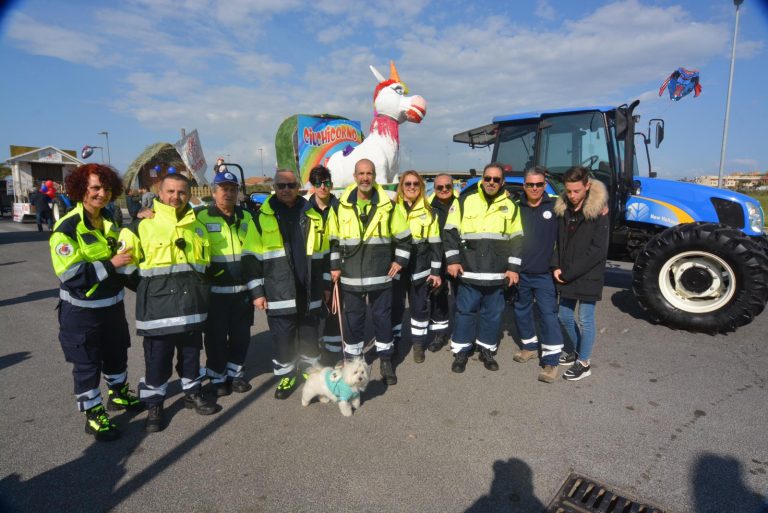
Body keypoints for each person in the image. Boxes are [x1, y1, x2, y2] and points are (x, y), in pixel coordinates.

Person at [118, 173, 219, 433]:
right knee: (157, 360)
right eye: (170, 192)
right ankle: (155, 404)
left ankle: (192, 393)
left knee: (191, 355)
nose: (176, 197)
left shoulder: (197, 225)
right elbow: (126, 268)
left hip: (191, 308)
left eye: (182, 192)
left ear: (189, 194)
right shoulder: (141, 225)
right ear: (159, 194)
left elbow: (205, 265)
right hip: (158, 310)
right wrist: (149, 291)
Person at [49, 163, 141, 442]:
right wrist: (110, 264)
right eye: (95, 188)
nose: (102, 193)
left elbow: (124, 266)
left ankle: (118, 394)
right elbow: (72, 275)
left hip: (112, 308)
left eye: (106, 188)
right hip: (81, 313)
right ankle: (93, 413)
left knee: (117, 354)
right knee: (88, 364)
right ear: (81, 190)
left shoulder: (110, 224)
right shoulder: (66, 228)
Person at [327, 158, 410, 385]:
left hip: (381, 274)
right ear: (355, 177)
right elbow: (333, 242)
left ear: (375, 177)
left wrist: (400, 261)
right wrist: (334, 267)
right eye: (361, 173)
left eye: (369, 173)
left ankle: (386, 360)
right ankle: (354, 361)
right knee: (353, 319)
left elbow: (405, 238)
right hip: (350, 274)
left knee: (382, 318)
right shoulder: (340, 206)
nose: (365, 178)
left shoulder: (388, 205)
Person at [252, 169, 327, 399]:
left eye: (290, 185)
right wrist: (257, 292)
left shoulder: (313, 213)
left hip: (308, 287)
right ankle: (286, 375)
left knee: (309, 333)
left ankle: (309, 371)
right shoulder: (261, 217)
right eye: (281, 186)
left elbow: (323, 252)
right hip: (278, 289)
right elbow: (251, 257)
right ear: (274, 187)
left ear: (298, 187)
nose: (286, 190)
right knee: (283, 336)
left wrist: (324, 285)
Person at [444, 162, 523, 373]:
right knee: (465, 312)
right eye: (488, 178)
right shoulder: (464, 202)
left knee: (493, 314)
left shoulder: (511, 206)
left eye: (496, 179)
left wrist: (513, 268)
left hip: (497, 274)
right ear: (482, 179)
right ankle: (461, 351)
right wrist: (452, 261)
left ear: (502, 182)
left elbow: (517, 240)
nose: (491, 182)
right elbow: (450, 232)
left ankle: (486, 350)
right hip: (469, 271)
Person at [195, 171, 260, 396]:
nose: (229, 193)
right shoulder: (201, 216)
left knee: (241, 335)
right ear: (214, 192)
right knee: (215, 337)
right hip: (215, 292)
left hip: (242, 291)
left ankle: (235, 373)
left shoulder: (247, 217)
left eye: (233, 189)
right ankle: (217, 376)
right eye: (224, 189)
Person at [552, 166, 610, 381]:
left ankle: (584, 363)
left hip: (587, 274)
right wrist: (556, 266)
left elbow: (597, 251)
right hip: (566, 272)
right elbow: (559, 241)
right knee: (563, 315)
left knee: (585, 319)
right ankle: (576, 351)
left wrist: (569, 273)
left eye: (577, 191)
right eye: (568, 191)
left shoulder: (598, 211)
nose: (572, 196)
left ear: (587, 186)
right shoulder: (563, 209)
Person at [511, 166, 563, 383]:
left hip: (544, 274)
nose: (534, 188)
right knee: (521, 311)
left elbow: (565, 240)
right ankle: (529, 347)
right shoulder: (515, 207)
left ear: (545, 185)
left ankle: (551, 360)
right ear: (524, 186)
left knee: (547, 315)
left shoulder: (557, 207)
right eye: (530, 184)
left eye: (539, 184)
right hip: (520, 273)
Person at [391, 171, 442, 363]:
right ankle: (395, 342)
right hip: (396, 267)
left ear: (421, 187)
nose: (412, 187)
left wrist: (436, 272)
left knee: (419, 308)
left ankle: (418, 344)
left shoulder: (430, 212)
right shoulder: (391, 209)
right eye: (407, 184)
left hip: (421, 267)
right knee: (395, 306)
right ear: (401, 187)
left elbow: (436, 244)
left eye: (416, 184)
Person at [307, 165, 343, 363]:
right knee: (314, 312)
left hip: (335, 266)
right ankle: (314, 349)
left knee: (334, 310)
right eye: (319, 183)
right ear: (312, 186)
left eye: (326, 183)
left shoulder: (340, 208)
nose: (323, 187)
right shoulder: (304, 210)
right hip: (313, 269)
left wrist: (335, 269)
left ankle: (333, 350)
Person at [427, 173, 458, 353]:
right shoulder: (429, 208)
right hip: (437, 258)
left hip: (457, 260)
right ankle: (440, 333)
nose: (444, 190)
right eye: (440, 187)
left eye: (448, 186)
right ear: (435, 188)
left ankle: (461, 332)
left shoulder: (461, 205)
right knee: (438, 297)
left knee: (461, 298)